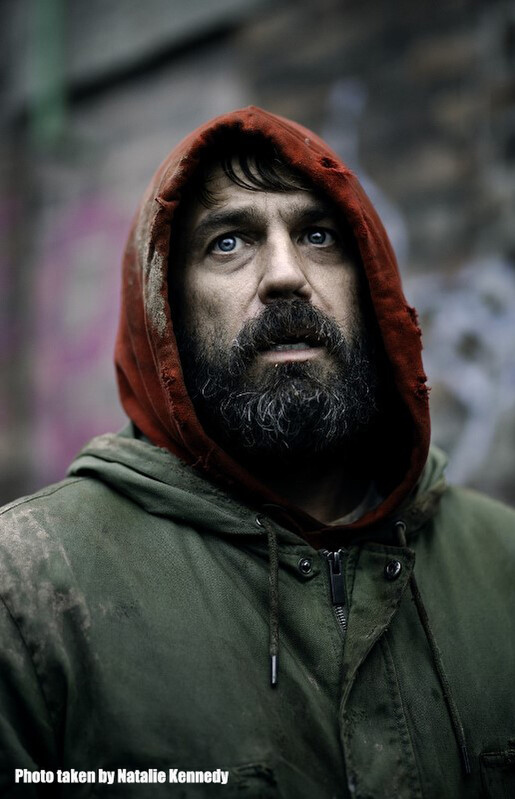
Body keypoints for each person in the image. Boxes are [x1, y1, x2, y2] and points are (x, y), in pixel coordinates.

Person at [0, 106, 513, 799]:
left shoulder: (502, 561)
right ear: (165, 309)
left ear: (372, 285)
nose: (285, 274)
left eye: (319, 235)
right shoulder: (29, 588)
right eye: (228, 242)